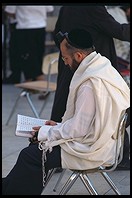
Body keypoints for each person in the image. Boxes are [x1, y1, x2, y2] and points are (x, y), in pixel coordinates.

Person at [2, 29, 130, 195]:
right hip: (105, 144)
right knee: (35, 149)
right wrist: (57, 126)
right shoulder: (102, 66)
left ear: (78, 56)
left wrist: (46, 131)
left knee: (31, 155)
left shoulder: (90, 84)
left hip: (92, 150)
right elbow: (85, 123)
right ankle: (9, 187)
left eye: (65, 58)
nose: (65, 62)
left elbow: (79, 129)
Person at [49, 6, 130, 170]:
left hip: (73, 62)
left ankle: (53, 155)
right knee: (107, 113)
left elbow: (58, 32)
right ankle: (116, 158)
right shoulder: (93, 8)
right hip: (89, 67)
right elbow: (119, 31)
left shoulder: (67, 7)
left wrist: (68, 53)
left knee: (66, 106)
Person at [2, 5, 54, 84]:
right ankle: (37, 79)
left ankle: (34, 79)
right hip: (40, 26)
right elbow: (50, 9)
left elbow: (10, 11)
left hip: (25, 27)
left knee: (27, 55)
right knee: (38, 54)